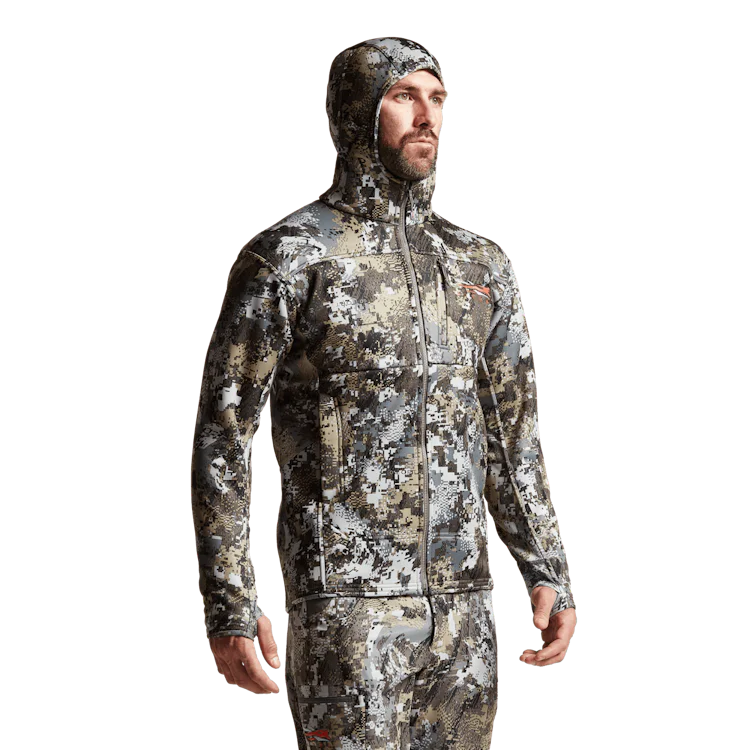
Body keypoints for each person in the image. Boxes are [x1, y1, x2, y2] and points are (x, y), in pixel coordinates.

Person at [191, 36, 576, 748]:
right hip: (348, 612)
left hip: (464, 612)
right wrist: (230, 604)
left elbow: (513, 433)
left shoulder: (478, 266)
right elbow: (224, 437)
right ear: (355, 112)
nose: (427, 117)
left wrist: (546, 566)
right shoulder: (292, 258)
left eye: (437, 99)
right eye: (404, 97)